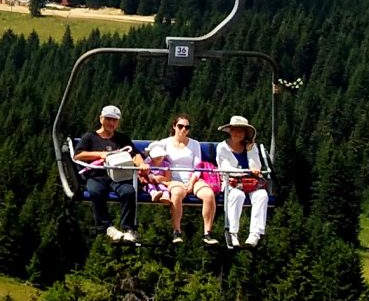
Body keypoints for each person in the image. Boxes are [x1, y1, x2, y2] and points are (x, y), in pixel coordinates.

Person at [70, 103, 141, 243]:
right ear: (101, 119)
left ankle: (128, 228)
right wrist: (100, 155)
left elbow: (134, 154)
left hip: (118, 176)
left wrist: (141, 163)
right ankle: (106, 227)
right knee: (95, 192)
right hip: (97, 175)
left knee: (129, 192)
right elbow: (78, 155)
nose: (111, 123)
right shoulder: (90, 137)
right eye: (108, 119)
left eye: (114, 120)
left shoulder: (122, 139)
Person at [145, 113, 221, 243]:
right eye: (180, 126)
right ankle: (177, 231)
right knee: (177, 193)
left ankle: (207, 233)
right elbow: (151, 157)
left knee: (208, 194)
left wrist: (192, 181)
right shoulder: (164, 143)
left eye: (187, 127)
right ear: (174, 126)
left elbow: (198, 165)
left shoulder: (195, 144)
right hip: (172, 178)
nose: (183, 130)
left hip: (193, 178)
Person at [220, 114, 270, 247]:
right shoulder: (222, 147)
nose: (237, 133)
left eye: (240, 130)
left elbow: (256, 167)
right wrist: (244, 172)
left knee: (262, 196)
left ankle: (255, 234)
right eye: (234, 130)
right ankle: (233, 233)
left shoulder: (251, 147)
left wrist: (249, 151)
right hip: (232, 182)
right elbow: (225, 167)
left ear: (245, 133)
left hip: (250, 183)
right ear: (230, 131)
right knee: (237, 195)